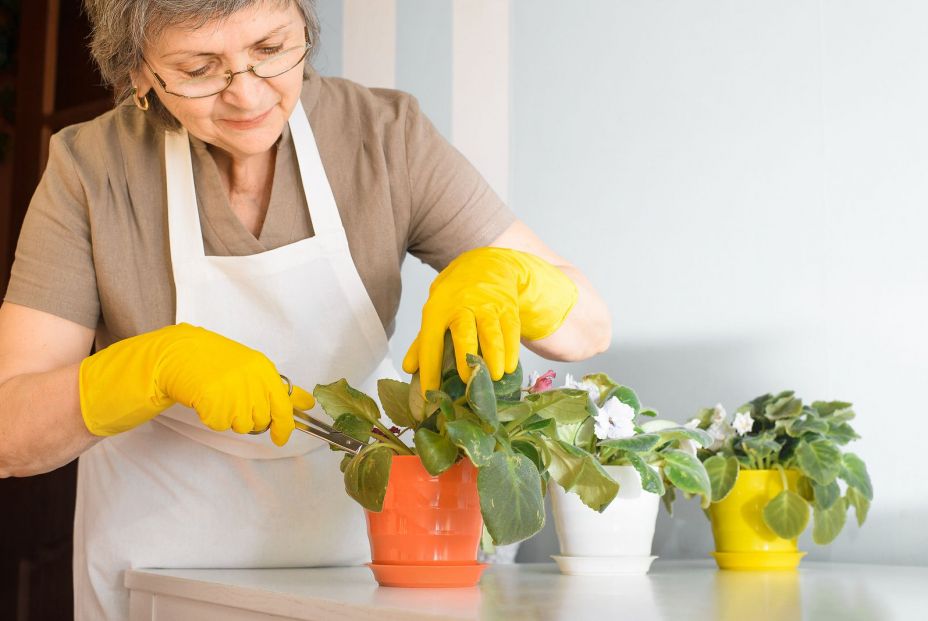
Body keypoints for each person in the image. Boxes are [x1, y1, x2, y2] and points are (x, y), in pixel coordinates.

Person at [0, 0, 611, 618]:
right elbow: (10, 433)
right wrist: (150, 367)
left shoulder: (383, 135)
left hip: (364, 569)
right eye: (198, 69)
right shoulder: (91, 168)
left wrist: (509, 278)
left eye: (270, 49)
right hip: (156, 573)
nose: (246, 96)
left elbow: (589, 326)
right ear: (137, 74)